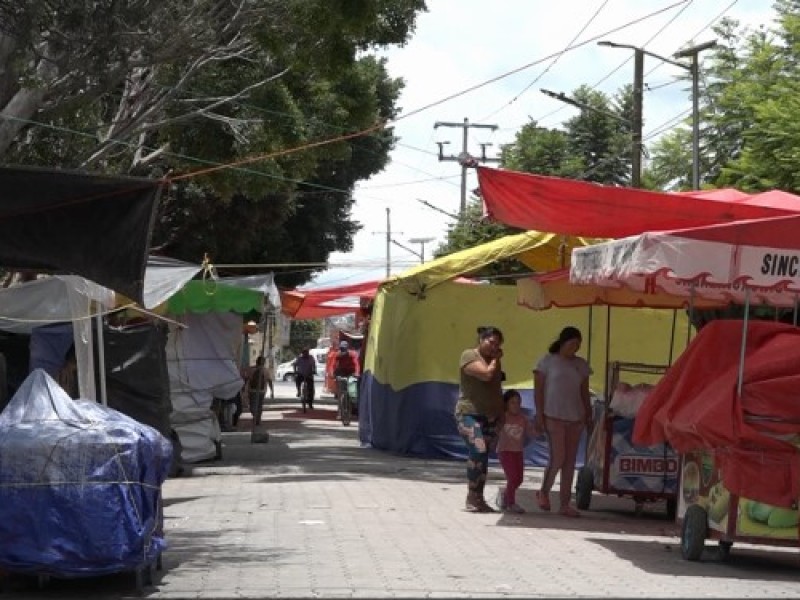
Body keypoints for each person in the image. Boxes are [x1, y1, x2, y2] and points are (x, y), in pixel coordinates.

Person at [533, 326, 592, 518]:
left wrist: (588, 414)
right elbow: (539, 391)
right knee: (558, 457)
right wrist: (539, 414)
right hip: (553, 415)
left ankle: (565, 503)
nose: (574, 348)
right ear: (563, 342)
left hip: (575, 417)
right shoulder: (547, 362)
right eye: (572, 343)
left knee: (570, 462)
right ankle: (544, 491)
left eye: (578, 345)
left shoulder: (581, 365)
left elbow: (584, 392)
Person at [455, 326, 505, 513]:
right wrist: (496, 360)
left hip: (490, 416)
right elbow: (486, 375)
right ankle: (472, 497)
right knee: (478, 449)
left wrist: (502, 414)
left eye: (498, 344)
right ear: (481, 340)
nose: (494, 347)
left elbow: (496, 386)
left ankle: (478, 498)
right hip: (468, 414)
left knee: (483, 457)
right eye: (491, 342)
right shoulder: (469, 355)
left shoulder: (494, 361)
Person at [495, 389, 539, 514]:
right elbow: (495, 429)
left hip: (518, 452)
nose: (516, 406)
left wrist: (540, 428)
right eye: (512, 403)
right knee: (512, 477)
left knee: (519, 479)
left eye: (518, 403)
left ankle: (505, 496)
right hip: (505, 451)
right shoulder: (503, 418)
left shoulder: (523, 419)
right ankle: (511, 503)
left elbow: (532, 433)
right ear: (506, 404)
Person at [331, 340, 360, 414]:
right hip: (341, 372)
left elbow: (356, 364)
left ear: (347, 348)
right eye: (341, 348)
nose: (342, 350)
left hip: (351, 373)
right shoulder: (337, 354)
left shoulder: (353, 354)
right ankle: (340, 411)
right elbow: (333, 365)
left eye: (344, 348)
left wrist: (357, 373)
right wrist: (332, 373)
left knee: (353, 390)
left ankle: (354, 406)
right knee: (341, 392)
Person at [245, 355, 268, 426]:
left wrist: (244, 389)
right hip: (260, 391)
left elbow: (247, 379)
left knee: (253, 405)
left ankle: (256, 417)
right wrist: (272, 391)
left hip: (253, 390)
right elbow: (269, 381)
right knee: (258, 405)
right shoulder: (265, 370)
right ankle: (257, 418)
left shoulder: (251, 369)